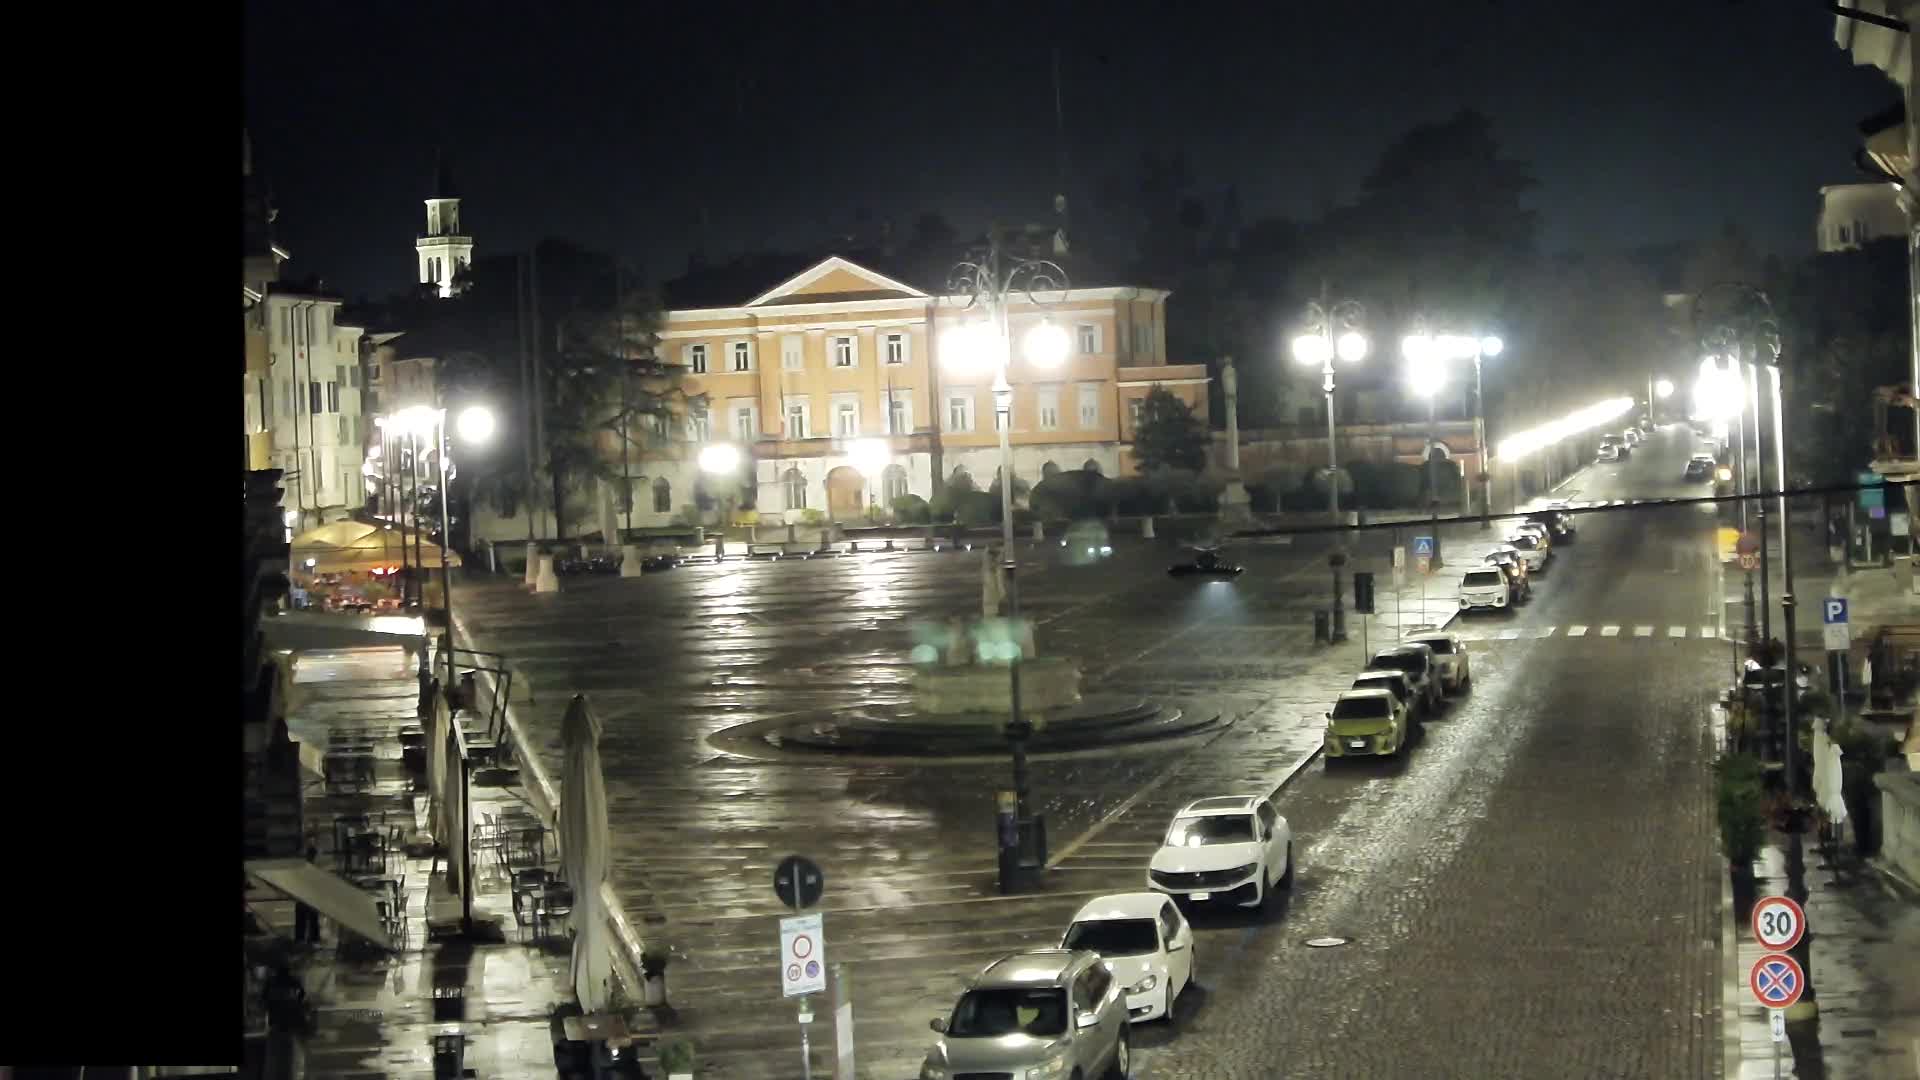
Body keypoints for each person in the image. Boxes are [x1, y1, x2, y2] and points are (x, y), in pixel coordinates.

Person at [293, 844, 322, 945]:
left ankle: (301, 938)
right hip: (309, 896)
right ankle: (313, 938)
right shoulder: (313, 867)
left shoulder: (303, 866)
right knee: (312, 918)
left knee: (302, 918)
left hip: (303, 895)